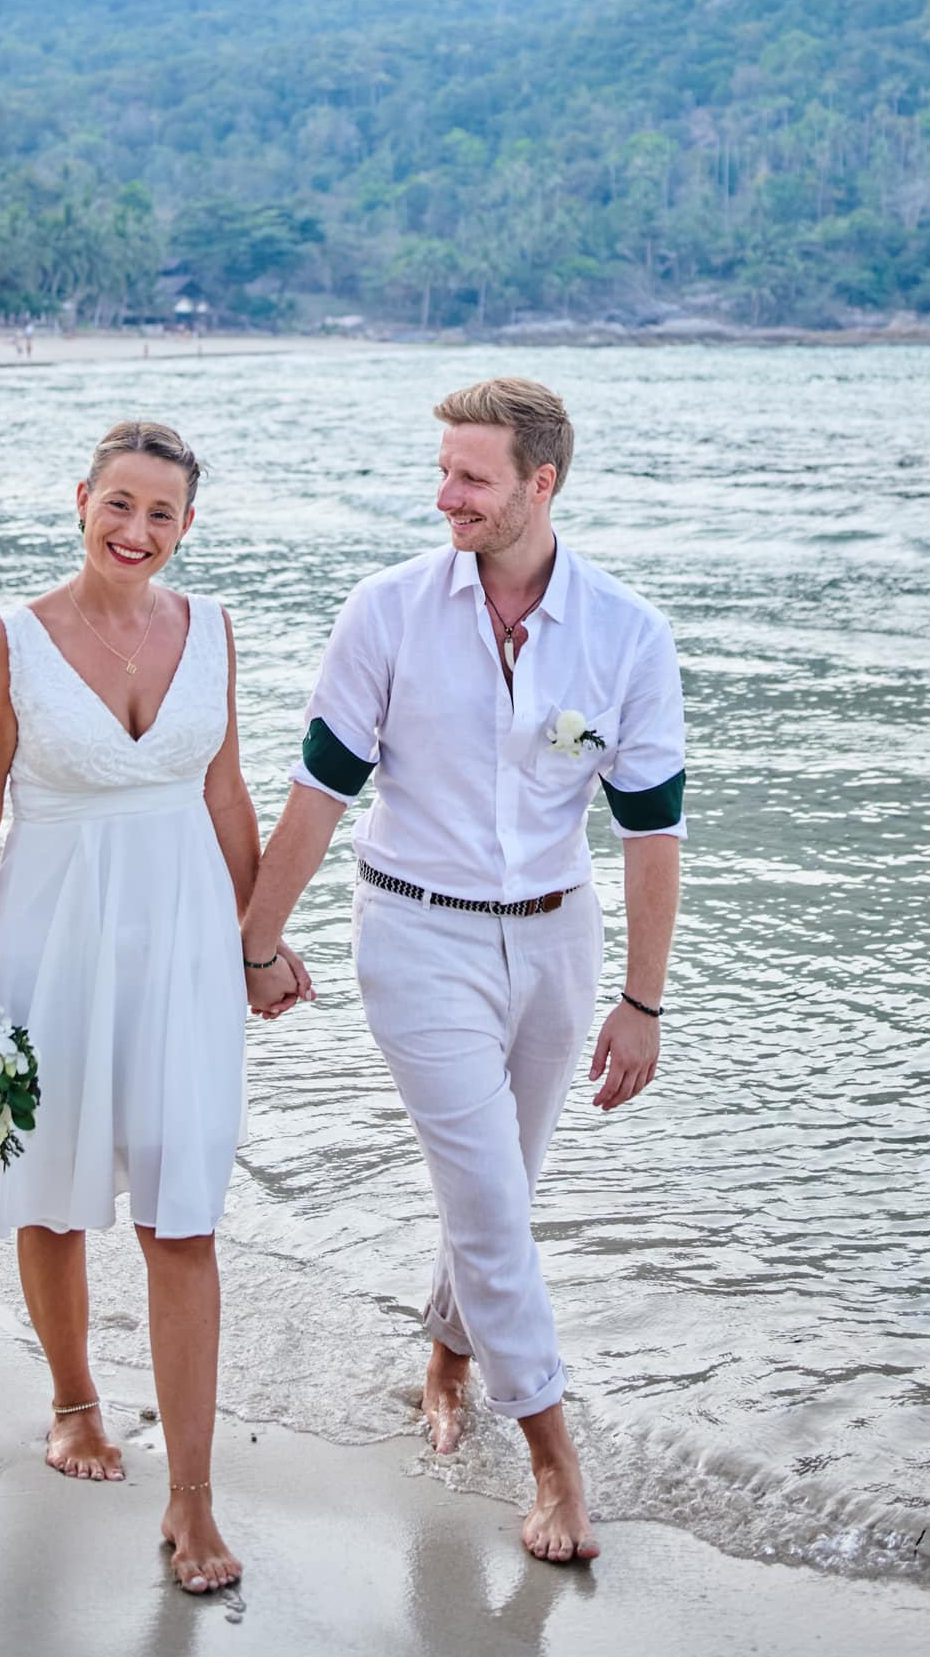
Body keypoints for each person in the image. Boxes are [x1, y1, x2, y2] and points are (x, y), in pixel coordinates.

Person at [241, 377, 684, 1564]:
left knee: (504, 1189)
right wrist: (255, 941)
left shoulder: (626, 635)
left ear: (542, 484)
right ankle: (556, 1466)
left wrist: (643, 1001)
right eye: (444, 469)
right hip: (416, 934)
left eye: (474, 476)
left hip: (556, 939)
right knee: (490, 1202)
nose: (448, 495)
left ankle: (445, 1361)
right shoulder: (386, 612)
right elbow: (319, 795)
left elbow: (650, 831)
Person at [0, 417, 311, 1592]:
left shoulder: (215, 632)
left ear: (188, 525)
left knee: (182, 1212)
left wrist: (259, 941)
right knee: (52, 1192)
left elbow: (228, 790)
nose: (137, 530)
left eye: (162, 513)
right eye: (119, 505)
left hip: (187, 941)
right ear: (79, 502)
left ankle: (191, 1504)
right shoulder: (12, 642)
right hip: (52, 936)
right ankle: (75, 1403)